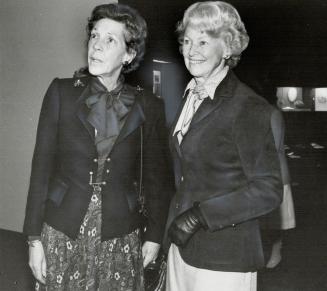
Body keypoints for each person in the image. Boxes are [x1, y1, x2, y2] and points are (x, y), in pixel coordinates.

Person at [23, 3, 171, 290]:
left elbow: (157, 178)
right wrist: (33, 238)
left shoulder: (148, 105)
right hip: (62, 227)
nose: (97, 46)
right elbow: (40, 168)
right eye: (94, 36)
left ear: (129, 54)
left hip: (120, 232)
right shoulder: (61, 93)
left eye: (109, 39)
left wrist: (154, 236)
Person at [164, 2, 283, 291]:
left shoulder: (248, 107)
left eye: (203, 42)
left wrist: (199, 216)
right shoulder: (192, 95)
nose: (192, 51)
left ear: (227, 47)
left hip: (224, 259)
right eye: (187, 41)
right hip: (181, 250)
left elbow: (268, 189)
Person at [262, 109, 296, 268]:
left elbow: (274, 147)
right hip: (266, 174)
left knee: (276, 222)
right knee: (268, 221)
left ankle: (276, 252)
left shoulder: (273, 113)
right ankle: (271, 253)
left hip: (276, 174)